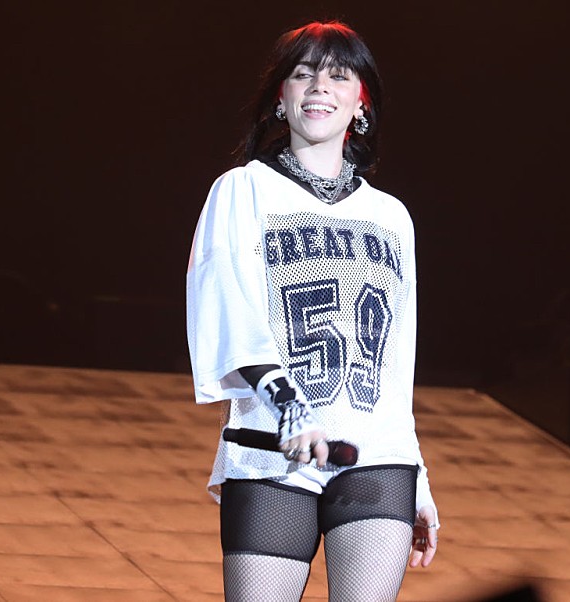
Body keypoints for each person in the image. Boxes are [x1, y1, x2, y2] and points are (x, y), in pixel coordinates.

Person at [187, 20, 439, 601]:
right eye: (303, 74)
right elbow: (228, 310)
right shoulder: (243, 189)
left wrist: (417, 474)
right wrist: (289, 405)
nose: (319, 86)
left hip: (377, 461)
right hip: (272, 451)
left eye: (338, 76)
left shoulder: (391, 216)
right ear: (281, 97)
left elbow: (396, 361)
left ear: (360, 102)